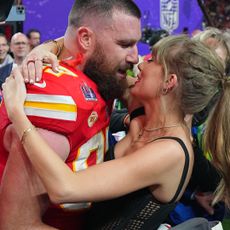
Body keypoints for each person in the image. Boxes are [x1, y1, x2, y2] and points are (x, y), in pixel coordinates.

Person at [3, 35, 227, 229]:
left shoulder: (170, 151)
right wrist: (43, 50)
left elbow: (65, 188)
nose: (140, 65)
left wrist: (18, 115)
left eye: (153, 61)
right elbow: (94, 56)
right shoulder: (143, 106)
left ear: (169, 82)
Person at [0, 0, 141, 229]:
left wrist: (46, 47)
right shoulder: (59, 96)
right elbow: (16, 224)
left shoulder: (101, 77)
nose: (135, 57)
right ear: (85, 39)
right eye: (125, 44)